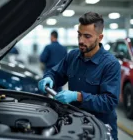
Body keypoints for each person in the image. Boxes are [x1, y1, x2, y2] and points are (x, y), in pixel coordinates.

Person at [38, 12, 121, 140]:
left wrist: (78, 96)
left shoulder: (110, 64)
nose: (81, 40)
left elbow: (109, 102)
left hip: (100, 129)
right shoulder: (73, 56)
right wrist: (49, 78)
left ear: (100, 37)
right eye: (79, 34)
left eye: (87, 36)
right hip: (76, 124)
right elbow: (56, 73)